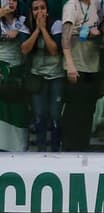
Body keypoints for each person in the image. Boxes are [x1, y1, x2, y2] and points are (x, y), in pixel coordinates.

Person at [20, 0, 64, 152]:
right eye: (36, 9)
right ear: (31, 11)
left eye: (42, 8)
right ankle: (40, 150)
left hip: (56, 76)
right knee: (39, 115)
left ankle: (55, 149)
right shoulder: (26, 24)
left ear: (47, 10)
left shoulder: (56, 24)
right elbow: (24, 49)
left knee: (55, 115)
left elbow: (54, 50)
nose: (39, 11)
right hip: (37, 76)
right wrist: (37, 30)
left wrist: (44, 29)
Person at [60, 0, 103, 151]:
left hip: (92, 66)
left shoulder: (96, 5)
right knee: (74, 113)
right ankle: (69, 149)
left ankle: (83, 148)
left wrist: (97, 34)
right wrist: (70, 65)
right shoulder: (71, 6)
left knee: (88, 112)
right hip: (76, 67)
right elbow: (65, 37)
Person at [0, 0, 30, 152]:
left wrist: (19, 33)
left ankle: (18, 147)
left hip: (18, 72)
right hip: (1, 69)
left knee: (17, 112)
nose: (11, 2)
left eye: (14, 0)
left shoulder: (23, 21)